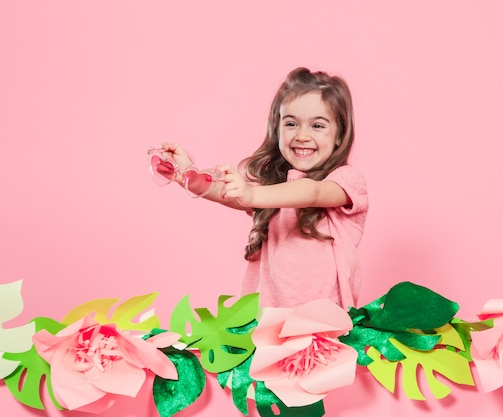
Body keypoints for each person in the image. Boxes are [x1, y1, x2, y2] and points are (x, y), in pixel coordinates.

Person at [157, 67, 368, 309]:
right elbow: (229, 194)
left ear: (340, 134)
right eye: (291, 124)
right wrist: (188, 176)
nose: (301, 135)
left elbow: (312, 192)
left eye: (317, 126)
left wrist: (253, 194)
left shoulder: (346, 181)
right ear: (277, 128)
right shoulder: (274, 185)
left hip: (323, 324)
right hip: (269, 321)